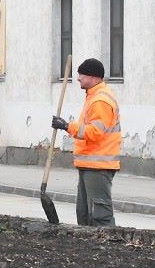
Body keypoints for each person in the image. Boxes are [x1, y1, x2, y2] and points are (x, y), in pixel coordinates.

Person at [52, 58, 121, 227]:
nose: (78, 78)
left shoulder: (100, 100)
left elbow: (95, 132)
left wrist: (67, 126)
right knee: (83, 213)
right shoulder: (93, 97)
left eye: (81, 75)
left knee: (99, 215)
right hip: (89, 164)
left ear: (93, 77)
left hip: (98, 164)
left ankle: (107, 242)